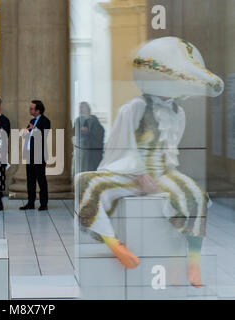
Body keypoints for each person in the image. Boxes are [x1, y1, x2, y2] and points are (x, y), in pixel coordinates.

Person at [76, 37, 224, 287]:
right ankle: (115, 245)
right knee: (86, 183)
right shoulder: (134, 107)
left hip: (165, 172)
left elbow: (171, 148)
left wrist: (165, 174)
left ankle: (193, 263)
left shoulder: (179, 112)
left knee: (197, 196)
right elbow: (121, 143)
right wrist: (138, 173)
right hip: (130, 172)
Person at [20, 100, 51, 211]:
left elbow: (44, 135)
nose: (30, 110)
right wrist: (26, 132)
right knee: (30, 179)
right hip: (30, 154)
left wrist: (34, 129)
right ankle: (30, 202)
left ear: (38, 110)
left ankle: (43, 204)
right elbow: (27, 135)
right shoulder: (32, 120)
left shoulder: (45, 121)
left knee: (41, 179)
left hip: (39, 154)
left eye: (32, 108)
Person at [73, 102, 105, 172]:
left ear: (88, 109)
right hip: (82, 150)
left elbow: (100, 132)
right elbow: (74, 133)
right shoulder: (78, 120)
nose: (81, 109)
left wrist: (89, 132)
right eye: (80, 107)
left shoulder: (94, 120)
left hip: (92, 151)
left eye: (82, 107)